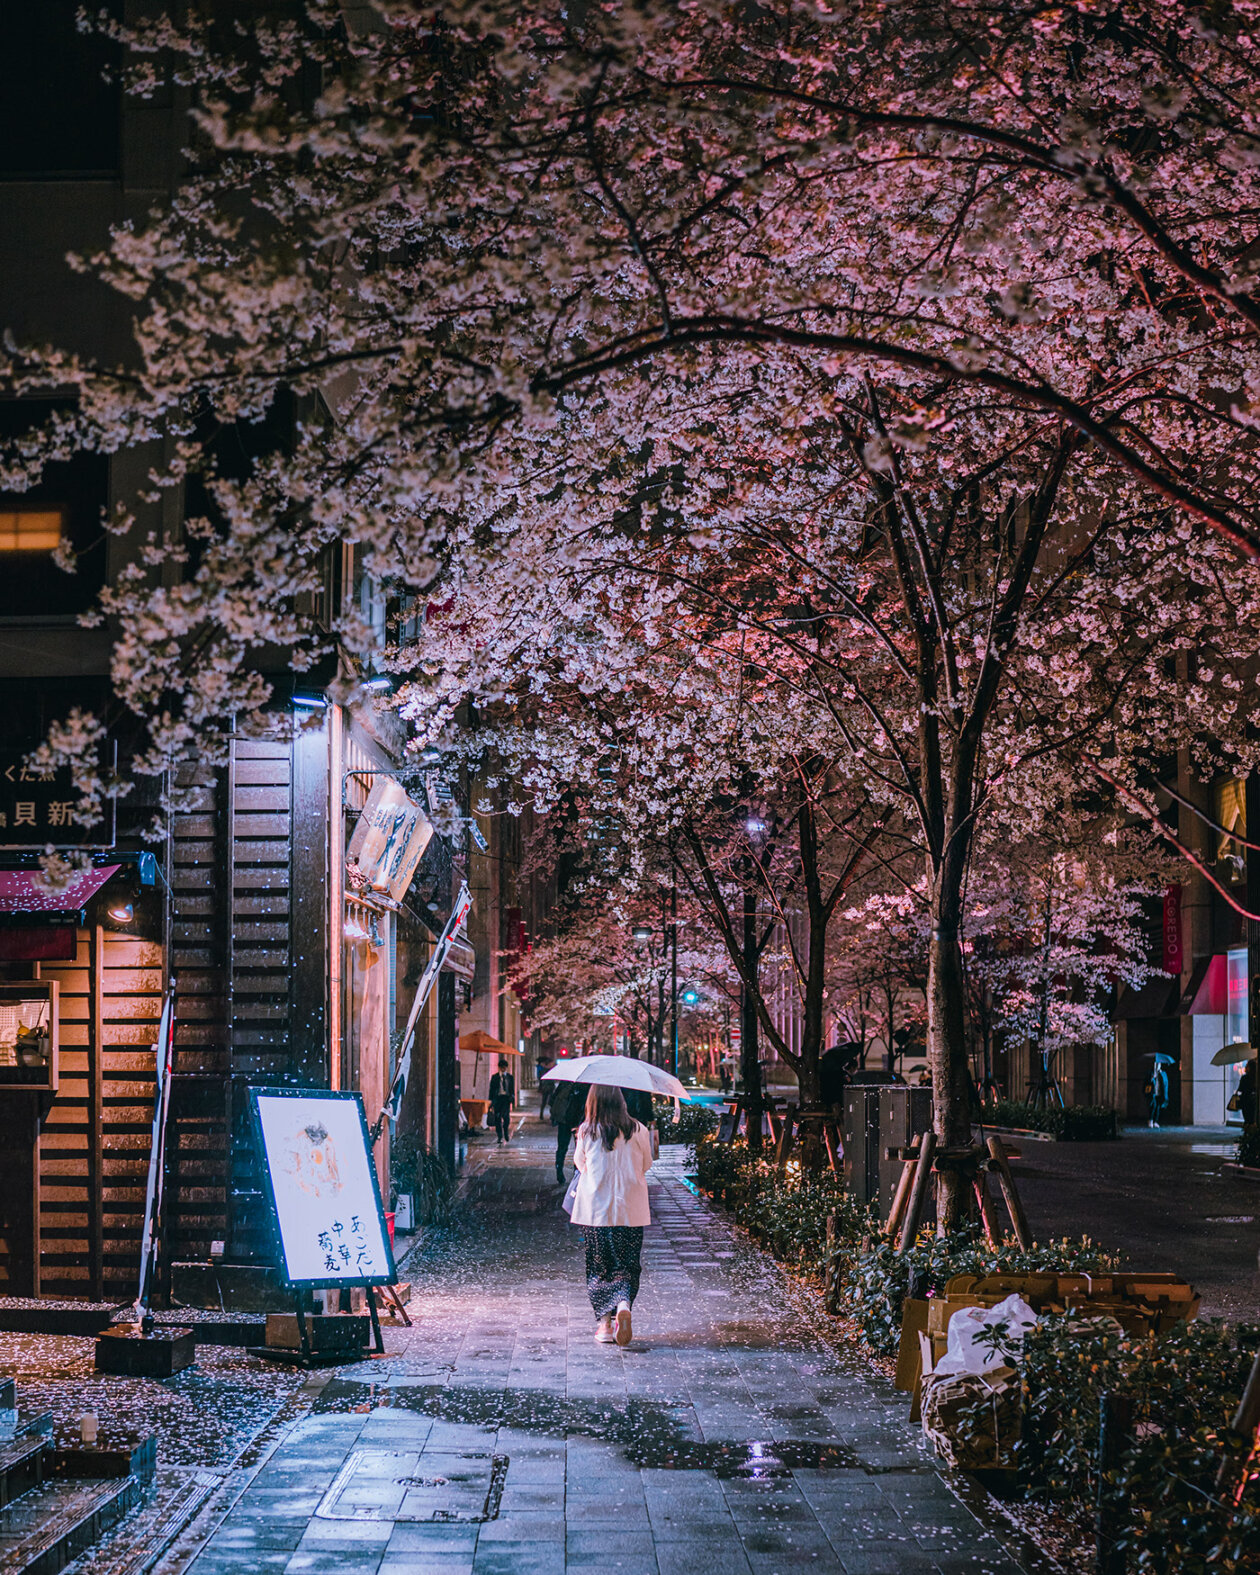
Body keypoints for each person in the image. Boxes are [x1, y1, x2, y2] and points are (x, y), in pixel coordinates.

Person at [569, 1084, 654, 1346]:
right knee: (628, 1262)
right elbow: (647, 1164)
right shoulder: (638, 1129)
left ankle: (605, 1327)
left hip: (596, 1211)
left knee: (599, 1265)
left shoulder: (586, 1131)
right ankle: (623, 1304)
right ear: (621, 1102)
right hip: (630, 1209)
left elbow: (580, 1164)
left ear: (593, 1102)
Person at [552, 1079, 584, 1185]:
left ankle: (559, 1171)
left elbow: (552, 1099)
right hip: (577, 1122)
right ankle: (576, 1173)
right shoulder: (584, 1085)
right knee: (579, 1148)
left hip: (564, 1121)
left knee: (562, 1147)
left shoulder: (565, 1083)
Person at [489, 1056, 515, 1145]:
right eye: (502, 1067)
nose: (503, 1069)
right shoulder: (495, 1077)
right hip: (498, 1099)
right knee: (497, 1118)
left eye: (505, 1067)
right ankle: (500, 1136)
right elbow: (491, 1089)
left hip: (506, 1099)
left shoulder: (510, 1077)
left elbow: (512, 1089)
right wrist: (491, 1101)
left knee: (506, 1118)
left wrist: (512, 1097)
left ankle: (506, 1132)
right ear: (499, 1068)